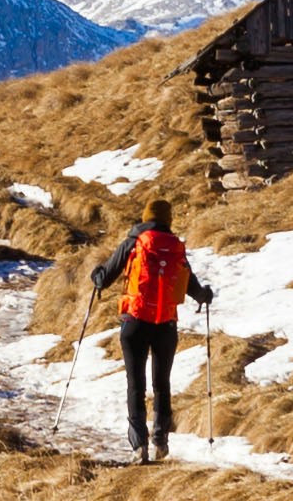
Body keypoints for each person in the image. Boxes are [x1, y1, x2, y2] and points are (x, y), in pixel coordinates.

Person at [87, 197, 212, 460]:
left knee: (136, 384)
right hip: (165, 324)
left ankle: (138, 445)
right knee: (161, 383)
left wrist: (96, 275)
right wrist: (204, 295)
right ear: (168, 220)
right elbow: (192, 286)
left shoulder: (134, 241)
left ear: (145, 217)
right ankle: (160, 441)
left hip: (135, 321)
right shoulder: (175, 248)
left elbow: (105, 276)